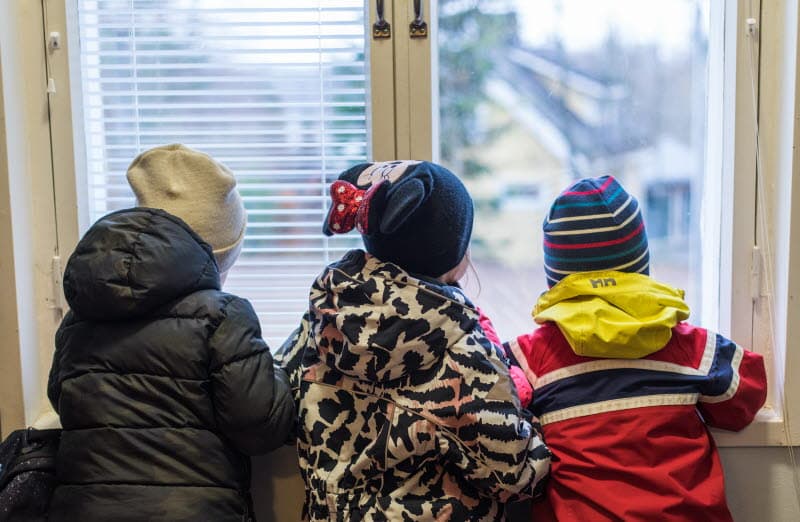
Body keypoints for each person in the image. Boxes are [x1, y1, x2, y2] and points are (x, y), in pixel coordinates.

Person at [275, 160, 550, 521]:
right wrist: (524, 406)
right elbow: (516, 477)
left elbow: (277, 410)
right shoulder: (461, 350)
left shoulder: (321, 323)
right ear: (450, 252)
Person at [47, 144, 295, 521]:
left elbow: (62, 399)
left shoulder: (80, 315)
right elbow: (260, 426)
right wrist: (276, 372)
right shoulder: (222, 316)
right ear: (218, 255)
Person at [504, 175, 768, 522]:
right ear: (641, 263)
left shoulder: (530, 359)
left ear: (554, 276)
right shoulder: (690, 347)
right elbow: (746, 399)